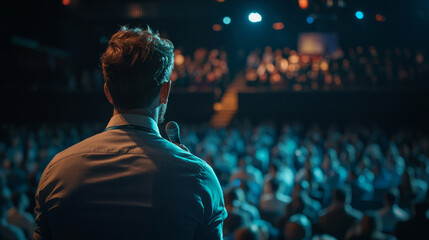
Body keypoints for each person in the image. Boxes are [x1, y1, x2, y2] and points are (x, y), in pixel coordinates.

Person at [33, 26, 227, 240]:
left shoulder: (57, 170)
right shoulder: (198, 176)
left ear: (108, 91)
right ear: (165, 91)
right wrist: (186, 169)